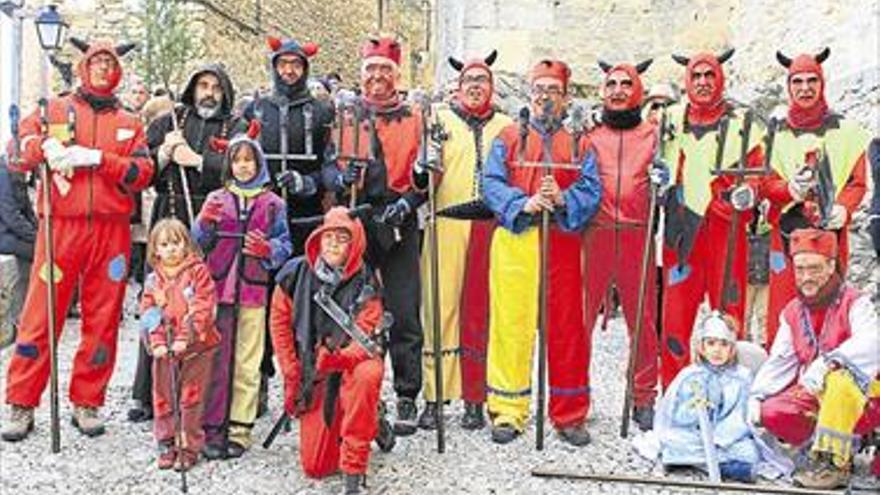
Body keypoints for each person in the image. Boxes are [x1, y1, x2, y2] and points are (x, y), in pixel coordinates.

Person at [1, 37, 153, 441]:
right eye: (96, 61)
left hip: (111, 232)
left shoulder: (130, 121)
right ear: (85, 66)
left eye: (109, 62)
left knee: (103, 319)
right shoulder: (53, 109)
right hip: (60, 229)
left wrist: (101, 160)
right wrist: (42, 146)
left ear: (117, 69)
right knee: (39, 316)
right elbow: (16, 151)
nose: (103, 68)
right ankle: (21, 400)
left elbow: (142, 173)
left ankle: (88, 401)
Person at [481, 59, 602, 445]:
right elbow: (491, 182)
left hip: (561, 242)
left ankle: (568, 413)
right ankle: (508, 409)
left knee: (566, 326)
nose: (544, 98)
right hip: (517, 238)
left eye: (552, 91)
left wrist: (564, 198)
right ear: (530, 95)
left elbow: (591, 188)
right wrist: (524, 203)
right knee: (510, 324)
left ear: (565, 97)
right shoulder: (507, 138)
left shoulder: (580, 142)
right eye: (539, 90)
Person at [323, 36, 427, 435]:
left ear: (396, 75)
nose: (378, 76)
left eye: (385, 69)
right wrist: (339, 176)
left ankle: (406, 392)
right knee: (352, 309)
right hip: (357, 222)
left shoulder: (414, 116)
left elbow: (428, 172)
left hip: (399, 222)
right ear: (362, 73)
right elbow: (328, 169)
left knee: (403, 310)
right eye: (372, 69)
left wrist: (412, 198)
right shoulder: (346, 114)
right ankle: (356, 384)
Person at [127, 64, 237, 424]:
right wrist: (163, 155)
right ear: (192, 88)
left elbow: (243, 167)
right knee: (158, 304)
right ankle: (147, 392)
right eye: (202, 85)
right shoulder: (167, 123)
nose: (208, 93)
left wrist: (200, 161)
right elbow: (142, 170)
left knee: (204, 307)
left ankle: (205, 396)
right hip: (170, 218)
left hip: (214, 225)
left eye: (215, 87)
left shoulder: (233, 127)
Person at [417, 50, 513, 431]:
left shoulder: (506, 125)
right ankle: (435, 396)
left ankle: (476, 397)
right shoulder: (437, 119)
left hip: (490, 226)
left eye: (482, 81)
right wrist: (422, 167)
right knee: (438, 309)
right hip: (446, 222)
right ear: (458, 86)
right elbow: (422, 169)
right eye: (469, 81)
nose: (475, 87)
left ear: (491, 86)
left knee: (481, 312)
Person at [659, 48, 766, 387]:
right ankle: (675, 394)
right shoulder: (669, 119)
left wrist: (743, 194)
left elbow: (756, 175)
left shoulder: (742, 125)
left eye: (709, 76)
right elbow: (654, 162)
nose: (703, 82)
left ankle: (730, 394)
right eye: (696, 76)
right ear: (686, 80)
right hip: (681, 232)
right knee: (675, 319)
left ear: (720, 78)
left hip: (724, 229)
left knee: (729, 318)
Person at [749, 228, 880, 488]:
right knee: (771, 411)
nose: (806, 277)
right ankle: (821, 447)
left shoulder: (856, 302)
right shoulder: (792, 312)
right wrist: (756, 395)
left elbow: (872, 342)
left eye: (814, 269)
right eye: (800, 269)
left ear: (831, 266)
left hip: (865, 398)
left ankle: (834, 464)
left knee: (840, 380)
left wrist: (829, 363)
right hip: (817, 398)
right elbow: (780, 361)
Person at [270, 207, 386, 494]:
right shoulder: (294, 274)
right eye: (328, 236)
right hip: (315, 370)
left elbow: (366, 340)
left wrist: (339, 358)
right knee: (317, 467)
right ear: (317, 239)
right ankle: (374, 420)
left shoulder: (367, 283)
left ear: (355, 243)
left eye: (342, 238)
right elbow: (280, 324)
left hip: (350, 365)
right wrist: (291, 372)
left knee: (368, 375)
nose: (333, 243)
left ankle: (354, 470)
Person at [762, 49, 871, 350]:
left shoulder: (847, 131)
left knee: (831, 308)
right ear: (789, 86)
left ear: (822, 84)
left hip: (830, 236)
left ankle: (830, 379)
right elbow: (763, 182)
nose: (805, 88)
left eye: (812, 80)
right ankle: (781, 386)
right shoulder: (774, 134)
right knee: (783, 312)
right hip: (786, 235)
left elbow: (858, 182)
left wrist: (844, 207)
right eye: (797, 81)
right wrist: (788, 190)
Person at [192, 129, 291, 459]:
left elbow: (285, 245)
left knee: (248, 361)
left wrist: (269, 250)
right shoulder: (215, 200)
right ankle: (211, 426)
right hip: (219, 290)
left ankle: (239, 428)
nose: (244, 166)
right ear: (228, 165)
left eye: (250, 160)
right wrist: (203, 224)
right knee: (216, 358)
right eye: (237, 160)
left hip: (252, 290)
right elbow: (199, 242)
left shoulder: (273, 204)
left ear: (259, 163)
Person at [582, 58, 661, 431]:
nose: (617, 90)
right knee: (580, 319)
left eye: (625, 84)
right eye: (611, 84)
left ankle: (644, 396)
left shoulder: (654, 135)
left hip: (636, 232)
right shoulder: (591, 135)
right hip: (595, 232)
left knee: (642, 320)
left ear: (636, 91)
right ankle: (574, 394)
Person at [140, 218, 219, 471]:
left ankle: (188, 446)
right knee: (163, 396)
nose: (171, 249)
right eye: (165, 244)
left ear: (187, 245)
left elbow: (203, 306)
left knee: (190, 398)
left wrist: (187, 336)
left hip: (197, 348)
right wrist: (158, 341)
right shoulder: (154, 280)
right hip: (166, 350)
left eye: (177, 242)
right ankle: (166, 442)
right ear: (155, 250)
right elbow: (149, 312)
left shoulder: (198, 272)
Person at [656, 312, 760, 483]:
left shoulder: (742, 377)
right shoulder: (690, 376)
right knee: (673, 441)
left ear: (732, 349)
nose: (717, 350)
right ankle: (722, 467)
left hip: (727, 440)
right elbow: (677, 416)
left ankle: (693, 463)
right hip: (694, 435)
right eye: (711, 343)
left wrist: (719, 439)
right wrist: (694, 409)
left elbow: (741, 415)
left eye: (724, 344)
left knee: (749, 451)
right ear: (702, 347)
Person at [0, 158, 36, 349]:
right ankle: (23, 316)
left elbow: (27, 210)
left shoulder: (14, 171)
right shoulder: (3, 175)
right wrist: (36, 237)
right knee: (36, 253)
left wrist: (39, 232)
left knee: (44, 250)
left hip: (13, 233)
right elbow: (11, 216)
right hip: (5, 235)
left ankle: (30, 313)